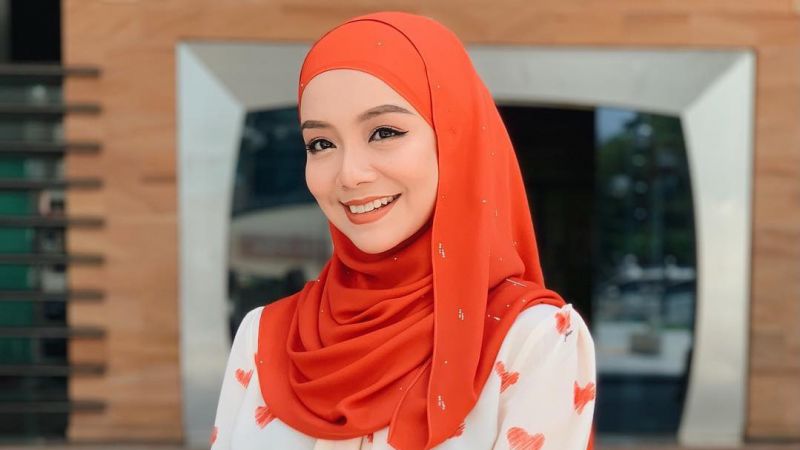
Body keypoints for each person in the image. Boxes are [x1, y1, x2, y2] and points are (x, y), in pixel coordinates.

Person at [211, 11, 596, 450]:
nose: (349, 174)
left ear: (454, 140)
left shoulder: (531, 341)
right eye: (321, 143)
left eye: (384, 132)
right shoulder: (263, 337)